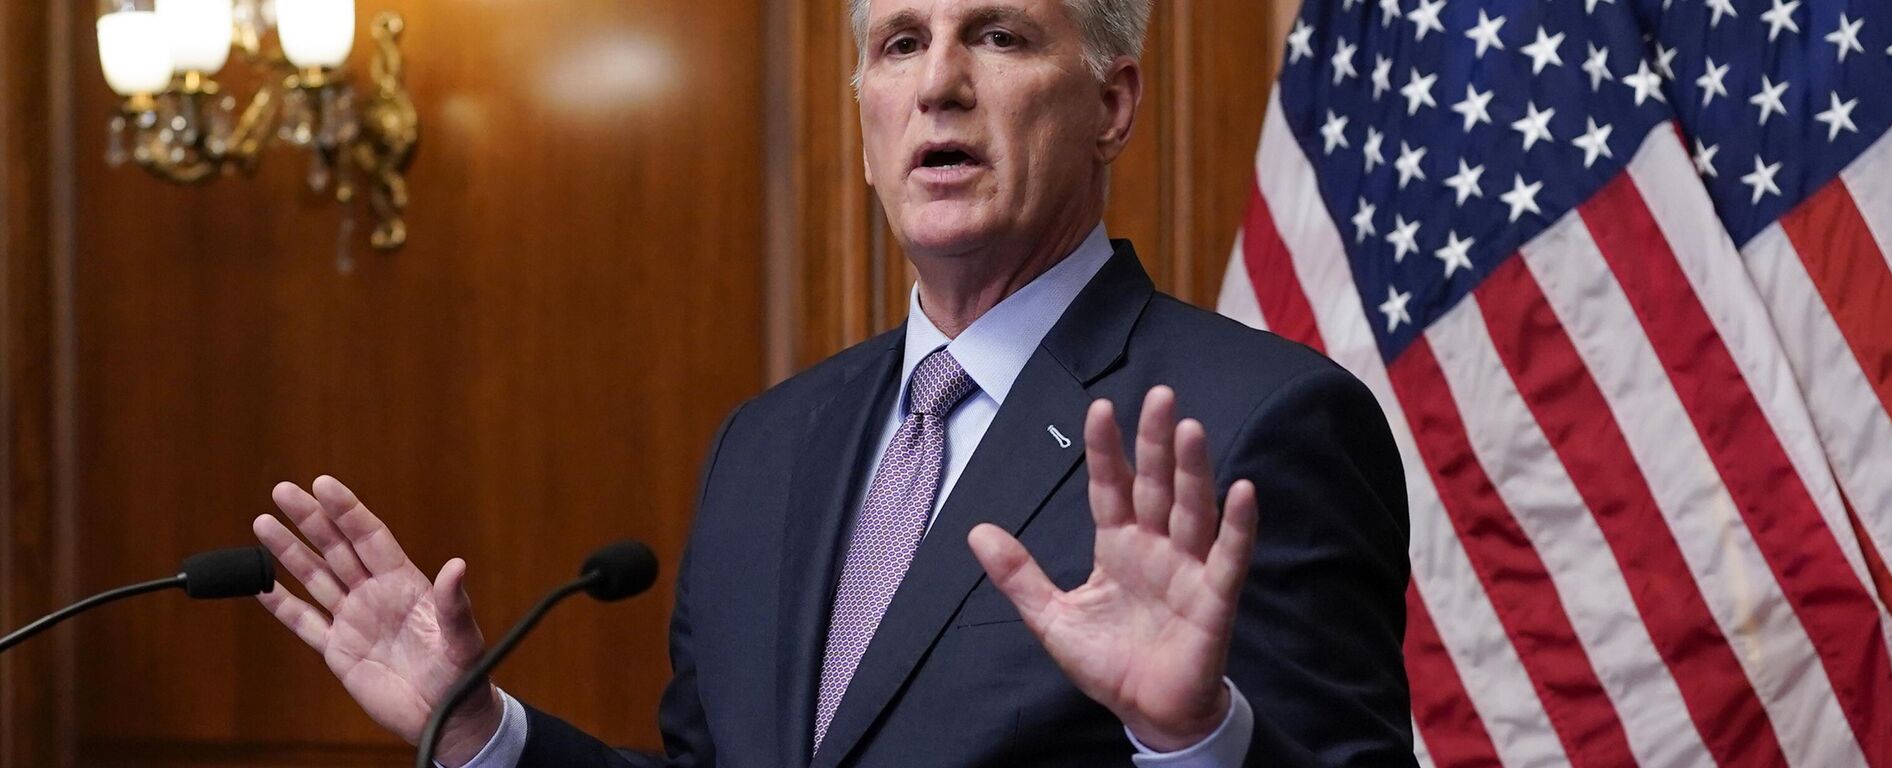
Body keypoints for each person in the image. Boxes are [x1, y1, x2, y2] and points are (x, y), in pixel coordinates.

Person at [249, 0, 1415, 764]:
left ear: (1112, 104)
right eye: (900, 42)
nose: (940, 83)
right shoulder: (767, 444)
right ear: (863, 120)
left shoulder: (1254, 422)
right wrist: (479, 731)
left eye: (1000, 35)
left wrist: (1194, 740)